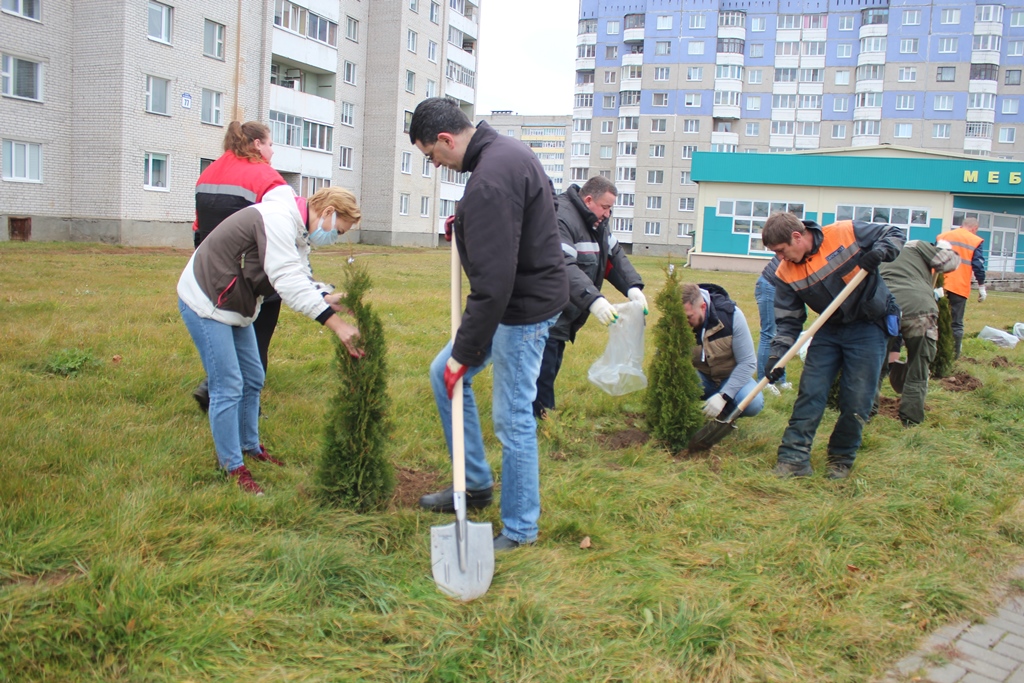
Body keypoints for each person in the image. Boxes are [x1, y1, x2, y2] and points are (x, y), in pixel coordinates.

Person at [409, 97, 569, 552]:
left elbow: (493, 286)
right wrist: (465, 224)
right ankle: (474, 484)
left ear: (445, 139)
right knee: (444, 377)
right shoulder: (506, 154)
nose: (436, 165)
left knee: (513, 418)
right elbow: (509, 228)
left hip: (523, 311)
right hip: (522, 297)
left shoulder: (489, 182)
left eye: (432, 156)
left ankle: (520, 530)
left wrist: (465, 353)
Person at [177, 185, 364, 495]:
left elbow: (300, 275)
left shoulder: (299, 231)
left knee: (253, 377)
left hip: (235, 304)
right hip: (206, 299)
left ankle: (250, 447)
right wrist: (338, 326)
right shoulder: (278, 219)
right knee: (227, 385)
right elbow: (287, 282)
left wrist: (329, 298)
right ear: (329, 213)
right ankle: (232, 466)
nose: (336, 237)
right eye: (339, 231)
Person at [762, 212, 904, 480]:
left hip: (869, 326)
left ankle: (841, 459)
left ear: (797, 236)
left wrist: (880, 252)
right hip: (830, 328)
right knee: (810, 392)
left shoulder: (844, 232)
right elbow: (789, 321)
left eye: (781, 251)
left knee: (857, 398)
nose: (779, 258)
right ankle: (793, 458)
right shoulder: (784, 273)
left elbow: (895, 233)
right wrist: (777, 356)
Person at [191, 121, 288, 412]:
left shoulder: (208, 172)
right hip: (253, 271)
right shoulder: (265, 177)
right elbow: (279, 227)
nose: (272, 150)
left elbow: (198, 227)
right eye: (270, 143)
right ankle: (246, 405)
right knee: (256, 339)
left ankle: (212, 386)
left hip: (211, 272)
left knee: (225, 334)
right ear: (257, 144)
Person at [533, 176, 646, 419]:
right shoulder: (561, 217)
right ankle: (541, 417)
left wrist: (633, 287)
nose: (608, 214)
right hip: (544, 308)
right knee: (543, 366)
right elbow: (562, 265)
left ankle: (542, 414)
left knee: (551, 363)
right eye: (606, 207)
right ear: (588, 200)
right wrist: (593, 299)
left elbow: (614, 256)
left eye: (611, 209)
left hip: (565, 311)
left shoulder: (597, 223)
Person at [879, 240, 960, 426]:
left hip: (884, 309)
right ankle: (911, 421)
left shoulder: (879, 249)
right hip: (920, 311)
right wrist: (945, 250)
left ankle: (865, 413)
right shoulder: (916, 246)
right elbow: (949, 262)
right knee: (918, 368)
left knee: (875, 366)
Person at [681, 282, 764, 421]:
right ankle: (688, 418)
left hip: (729, 377)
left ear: (703, 307)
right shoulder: (676, 321)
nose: (684, 321)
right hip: (700, 378)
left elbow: (748, 363)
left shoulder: (732, 316)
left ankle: (722, 414)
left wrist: (724, 396)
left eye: (689, 317)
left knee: (753, 403)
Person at [936, 217, 987, 358]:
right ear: (974, 228)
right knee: (956, 323)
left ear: (961, 225)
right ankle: (954, 355)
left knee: (934, 318)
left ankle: (932, 352)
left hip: (938, 284)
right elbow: (978, 265)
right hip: (958, 286)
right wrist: (981, 286)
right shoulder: (975, 240)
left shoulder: (943, 236)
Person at [753, 254, 792, 395]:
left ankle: (780, 378)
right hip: (769, 285)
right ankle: (763, 382)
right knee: (769, 333)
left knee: (782, 334)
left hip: (782, 287)